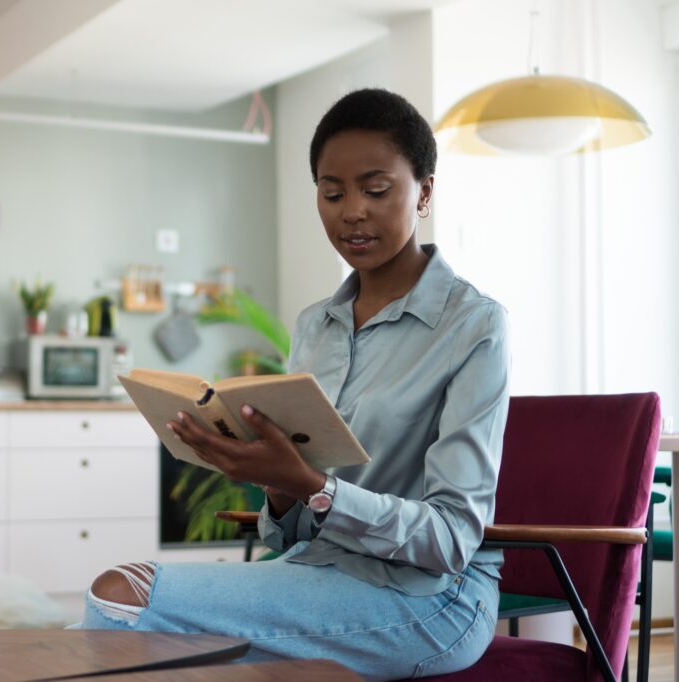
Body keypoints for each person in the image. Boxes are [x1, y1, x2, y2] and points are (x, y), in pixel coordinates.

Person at [81, 88, 510, 681]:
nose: (351, 211)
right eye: (332, 193)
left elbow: (451, 539)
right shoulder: (316, 326)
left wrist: (313, 485)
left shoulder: (474, 325)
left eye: (376, 190)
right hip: (316, 571)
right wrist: (274, 481)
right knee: (119, 617)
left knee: (118, 599)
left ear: (425, 192)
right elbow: (292, 527)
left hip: (431, 599)